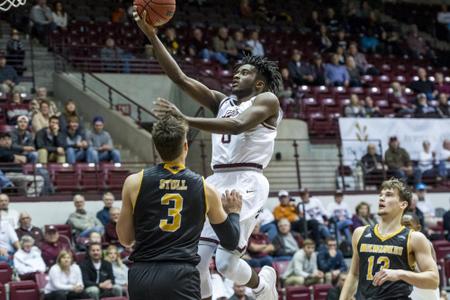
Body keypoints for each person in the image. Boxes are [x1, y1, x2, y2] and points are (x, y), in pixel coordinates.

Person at [134, 8, 282, 300]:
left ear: (260, 83)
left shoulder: (267, 100)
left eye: (246, 72)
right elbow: (180, 78)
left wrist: (186, 120)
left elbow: (238, 126)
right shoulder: (222, 101)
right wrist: (152, 35)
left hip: (247, 181)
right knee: (196, 262)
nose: (237, 74)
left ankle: (263, 286)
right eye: (236, 71)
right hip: (216, 181)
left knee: (226, 265)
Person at [117, 115, 243, 300]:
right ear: (185, 146)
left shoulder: (134, 182)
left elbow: (125, 239)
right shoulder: (206, 188)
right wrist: (234, 213)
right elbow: (231, 241)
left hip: (141, 274)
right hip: (180, 275)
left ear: (156, 147)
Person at [339, 179, 439, 300]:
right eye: (381, 195)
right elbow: (354, 274)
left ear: (403, 204)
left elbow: (434, 280)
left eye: (389, 195)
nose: (381, 198)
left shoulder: (414, 238)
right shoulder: (360, 233)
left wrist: (400, 274)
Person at [401, 213, 440, 300]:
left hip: (424, 290)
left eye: (407, 225)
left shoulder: (424, 243)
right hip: (411, 288)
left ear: (418, 228)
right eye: (401, 225)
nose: (403, 229)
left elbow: (431, 273)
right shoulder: (402, 243)